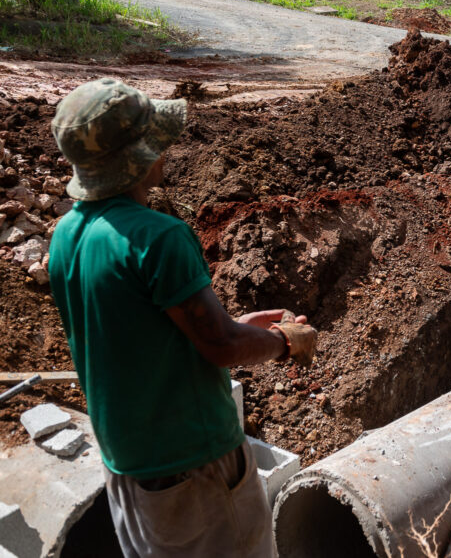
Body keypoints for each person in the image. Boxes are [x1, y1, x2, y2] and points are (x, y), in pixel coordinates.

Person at [48, 78, 318, 557]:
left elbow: (140, 334)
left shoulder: (67, 234)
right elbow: (221, 347)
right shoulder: (161, 237)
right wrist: (284, 341)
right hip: (195, 468)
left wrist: (236, 325)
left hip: (128, 467)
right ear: (137, 156)